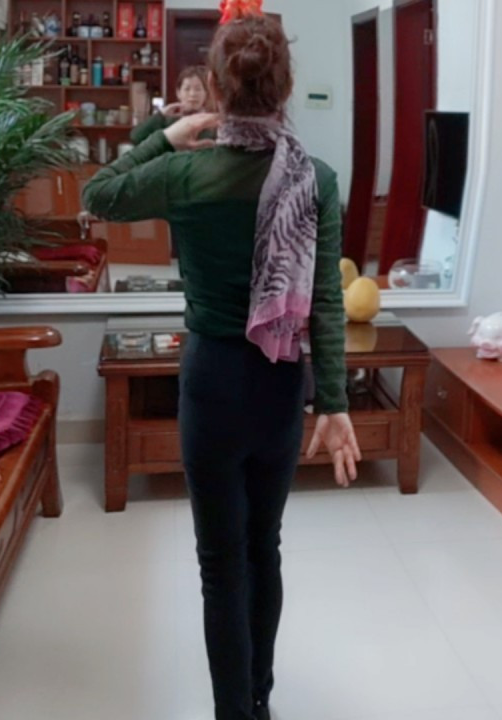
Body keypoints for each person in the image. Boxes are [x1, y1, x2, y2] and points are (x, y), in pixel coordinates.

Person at [82, 4, 361, 720]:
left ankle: (234, 712)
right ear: (285, 87)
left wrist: (162, 133)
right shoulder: (316, 179)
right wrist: (333, 401)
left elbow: (98, 194)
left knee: (221, 567)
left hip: (210, 383)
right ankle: (259, 701)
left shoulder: (186, 172)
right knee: (264, 548)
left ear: (216, 85)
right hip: (280, 384)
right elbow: (327, 299)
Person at [129, 65, 212, 146]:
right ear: (178, 93)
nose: (192, 94)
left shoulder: (211, 123)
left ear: (206, 93)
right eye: (187, 89)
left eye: (198, 89)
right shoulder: (167, 121)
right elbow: (136, 137)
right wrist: (161, 114)